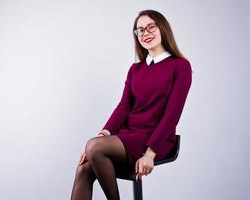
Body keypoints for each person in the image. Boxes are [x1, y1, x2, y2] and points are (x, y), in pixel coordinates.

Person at [70, 9, 192, 200]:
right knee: (83, 168)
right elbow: (123, 106)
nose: (146, 33)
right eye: (140, 30)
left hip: (155, 138)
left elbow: (172, 114)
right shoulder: (135, 69)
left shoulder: (180, 66)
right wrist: (103, 135)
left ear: (163, 28)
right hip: (128, 135)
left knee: (93, 147)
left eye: (151, 26)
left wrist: (150, 153)